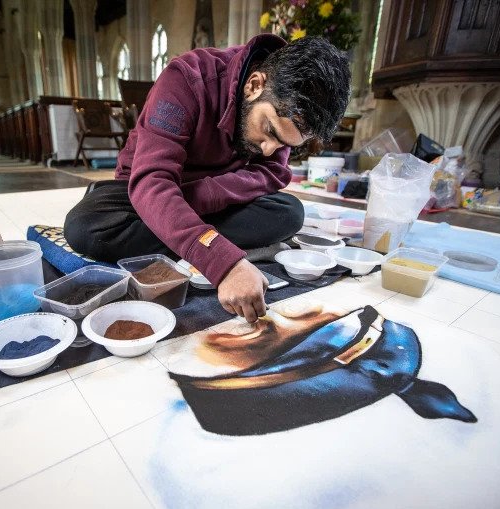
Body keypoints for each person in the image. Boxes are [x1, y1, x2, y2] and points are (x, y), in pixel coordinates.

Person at [65, 34, 351, 323]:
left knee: (289, 212)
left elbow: (272, 172)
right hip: (148, 189)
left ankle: (179, 230)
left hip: (209, 196)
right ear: (254, 85)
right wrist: (223, 262)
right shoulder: (185, 79)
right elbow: (152, 180)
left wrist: (204, 198)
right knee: (86, 226)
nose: (269, 149)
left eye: (285, 144)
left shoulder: (285, 110)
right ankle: (190, 233)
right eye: (270, 131)